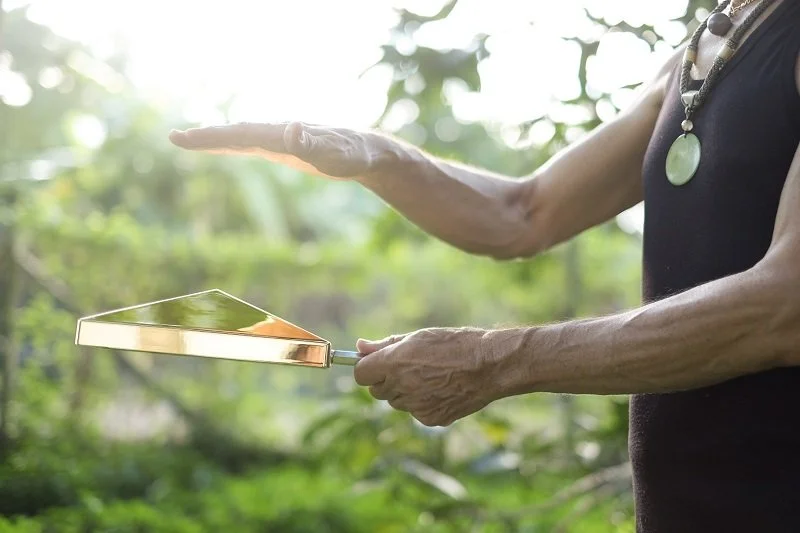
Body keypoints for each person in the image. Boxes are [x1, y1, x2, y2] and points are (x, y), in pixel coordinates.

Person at [169, 0, 800, 530]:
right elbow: (524, 212)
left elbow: (785, 307)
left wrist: (495, 360)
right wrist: (376, 156)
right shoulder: (707, 45)